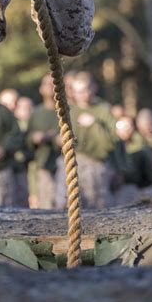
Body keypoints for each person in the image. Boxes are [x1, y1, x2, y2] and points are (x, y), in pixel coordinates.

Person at [55, 71, 116, 208]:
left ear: (93, 88)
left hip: (95, 165)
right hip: (72, 162)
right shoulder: (69, 109)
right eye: (78, 91)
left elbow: (111, 142)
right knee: (65, 203)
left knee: (96, 206)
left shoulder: (102, 109)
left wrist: (94, 124)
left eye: (85, 90)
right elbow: (57, 135)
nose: (82, 95)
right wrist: (59, 140)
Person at [27, 73, 61, 208]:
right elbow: (27, 139)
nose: (51, 87)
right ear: (41, 89)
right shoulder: (36, 113)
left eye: (54, 83)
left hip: (64, 165)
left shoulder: (67, 110)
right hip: (43, 165)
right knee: (45, 205)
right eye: (47, 84)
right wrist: (35, 138)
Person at [109, 115, 152, 204]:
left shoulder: (140, 145)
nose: (126, 130)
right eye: (122, 126)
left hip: (134, 187)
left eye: (129, 126)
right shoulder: (111, 144)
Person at [13, 96, 34, 206]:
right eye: (23, 107)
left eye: (29, 107)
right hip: (16, 166)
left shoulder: (33, 123)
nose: (27, 110)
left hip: (30, 166)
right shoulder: (13, 124)